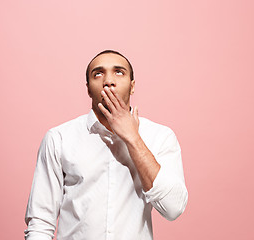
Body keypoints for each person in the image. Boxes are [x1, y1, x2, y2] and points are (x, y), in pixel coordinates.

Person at [24, 50, 188, 240]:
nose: (108, 81)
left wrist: (133, 139)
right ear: (87, 88)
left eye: (119, 72)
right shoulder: (59, 138)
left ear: (132, 86)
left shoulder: (160, 136)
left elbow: (173, 208)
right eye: (98, 73)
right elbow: (40, 222)